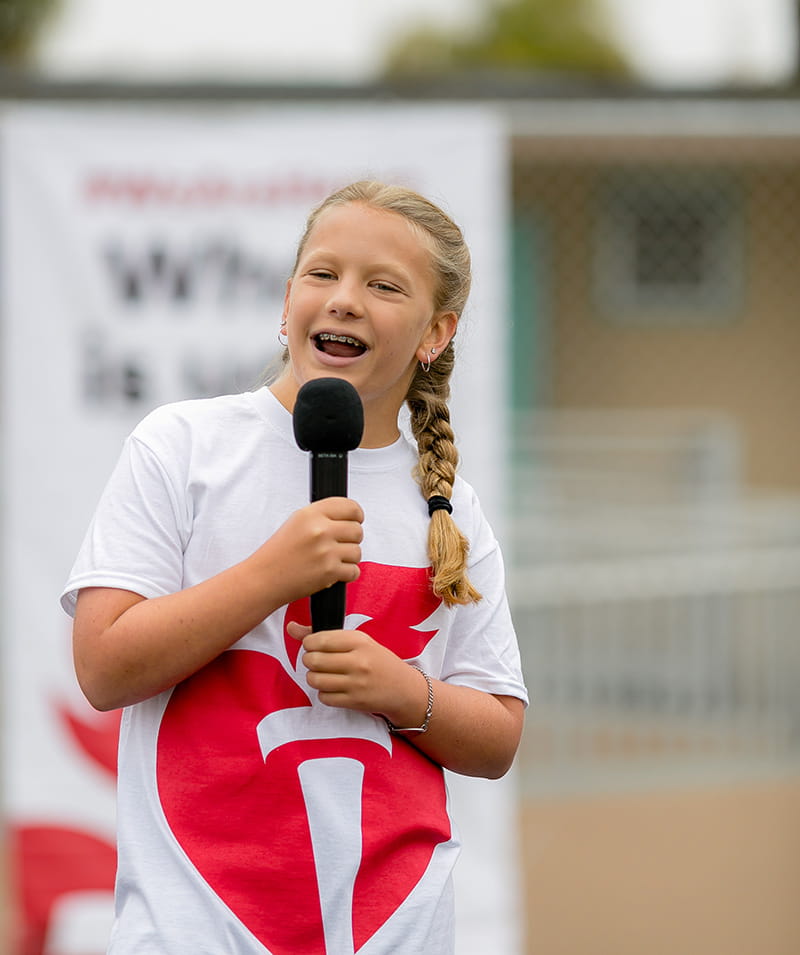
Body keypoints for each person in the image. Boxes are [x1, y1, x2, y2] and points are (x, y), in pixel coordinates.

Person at [61, 179, 528, 955]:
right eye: (323, 274)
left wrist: (405, 692)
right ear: (287, 304)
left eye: (383, 285)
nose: (344, 299)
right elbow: (105, 667)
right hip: (195, 924)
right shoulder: (183, 447)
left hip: (394, 928)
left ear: (434, 334)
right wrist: (272, 573)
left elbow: (499, 735)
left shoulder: (450, 510)